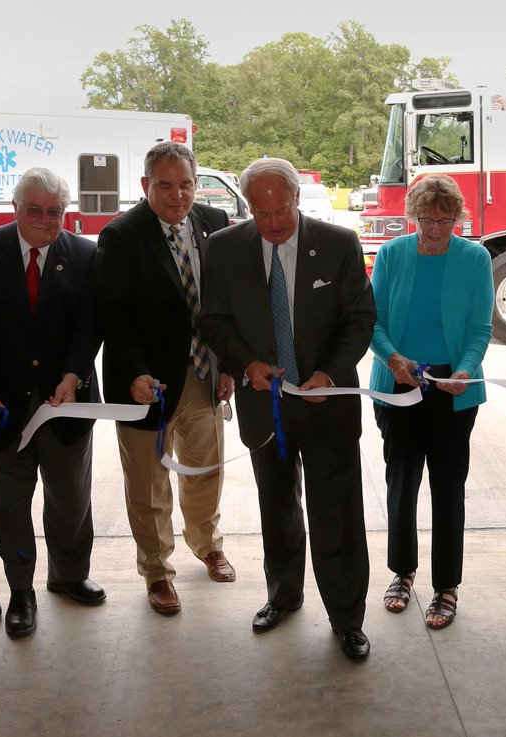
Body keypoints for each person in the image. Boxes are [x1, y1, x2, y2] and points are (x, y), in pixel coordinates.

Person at [198, 157, 376, 660]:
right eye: (262, 212)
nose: (274, 223)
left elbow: (360, 319)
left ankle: (347, 617)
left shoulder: (338, 244)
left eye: (282, 210)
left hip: (327, 402)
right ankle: (284, 595)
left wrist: (333, 373)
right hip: (264, 405)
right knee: (276, 506)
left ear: (297, 198)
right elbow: (213, 319)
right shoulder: (225, 249)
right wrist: (245, 363)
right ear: (247, 207)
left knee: (336, 511)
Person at [0, 167, 104, 638]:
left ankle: (69, 575)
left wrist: (74, 375)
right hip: (1, 407)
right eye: (34, 209)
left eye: (55, 211)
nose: (45, 219)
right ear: (15, 208)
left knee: (71, 498)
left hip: (65, 404)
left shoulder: (85, 255)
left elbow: (90, 325)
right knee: (11, 506)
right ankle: (21, 590)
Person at [95, 142, 236, 616]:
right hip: (146, 384)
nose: (177, 196)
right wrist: (135, 371)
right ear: (145, 186)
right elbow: (113, 315)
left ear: (197, 185)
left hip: (202, 373)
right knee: (149, 484)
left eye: (186, 185)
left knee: (205, 469)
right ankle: (157, 571)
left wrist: (228, 365)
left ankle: (209, 544)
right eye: (165, 185)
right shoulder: (121, 235)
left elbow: (224, 304)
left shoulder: (213, 225)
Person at [368, 175, 493, 629]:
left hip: (453, 387)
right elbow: (373, 322)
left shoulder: (475, 258)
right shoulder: (391, 254)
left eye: (445, 220)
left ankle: (446, 585)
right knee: (401, 483)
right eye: (426, 219)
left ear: (459, 217)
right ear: (412, 217)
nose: (436, 229)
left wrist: (464, 369)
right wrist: (394, 359)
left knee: (447, 487)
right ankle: (402, 572)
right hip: (399, 381)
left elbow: (481, 327)